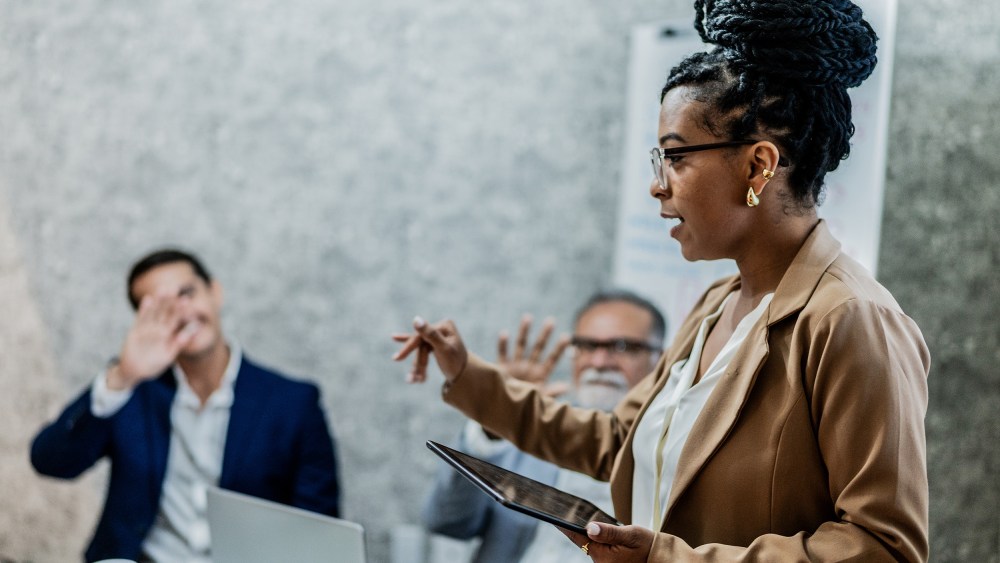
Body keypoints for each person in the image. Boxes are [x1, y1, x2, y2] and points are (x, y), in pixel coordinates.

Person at [393, 1, 931, 560]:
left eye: (675, 158)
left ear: (757, 167)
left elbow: (883, 547)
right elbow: (617, 442)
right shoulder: (716, 305)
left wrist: (667, 559)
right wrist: (469, 374)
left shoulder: (852, 321)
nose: (658, 185)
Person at [31, 249, 341, 562]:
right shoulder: (132, 391)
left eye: (187, 293)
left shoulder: (293, 403)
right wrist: (122, 377)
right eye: (160, 305)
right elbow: (50, 461)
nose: (181, 312)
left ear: (215, 292)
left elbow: (318, 529)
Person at [422, 290, 666, 562]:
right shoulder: (533, 431)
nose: (598, 362)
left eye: (622, 347)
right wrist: (497, 420)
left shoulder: (671, 450)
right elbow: (446, 522)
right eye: (586, 346)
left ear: (662, 360)